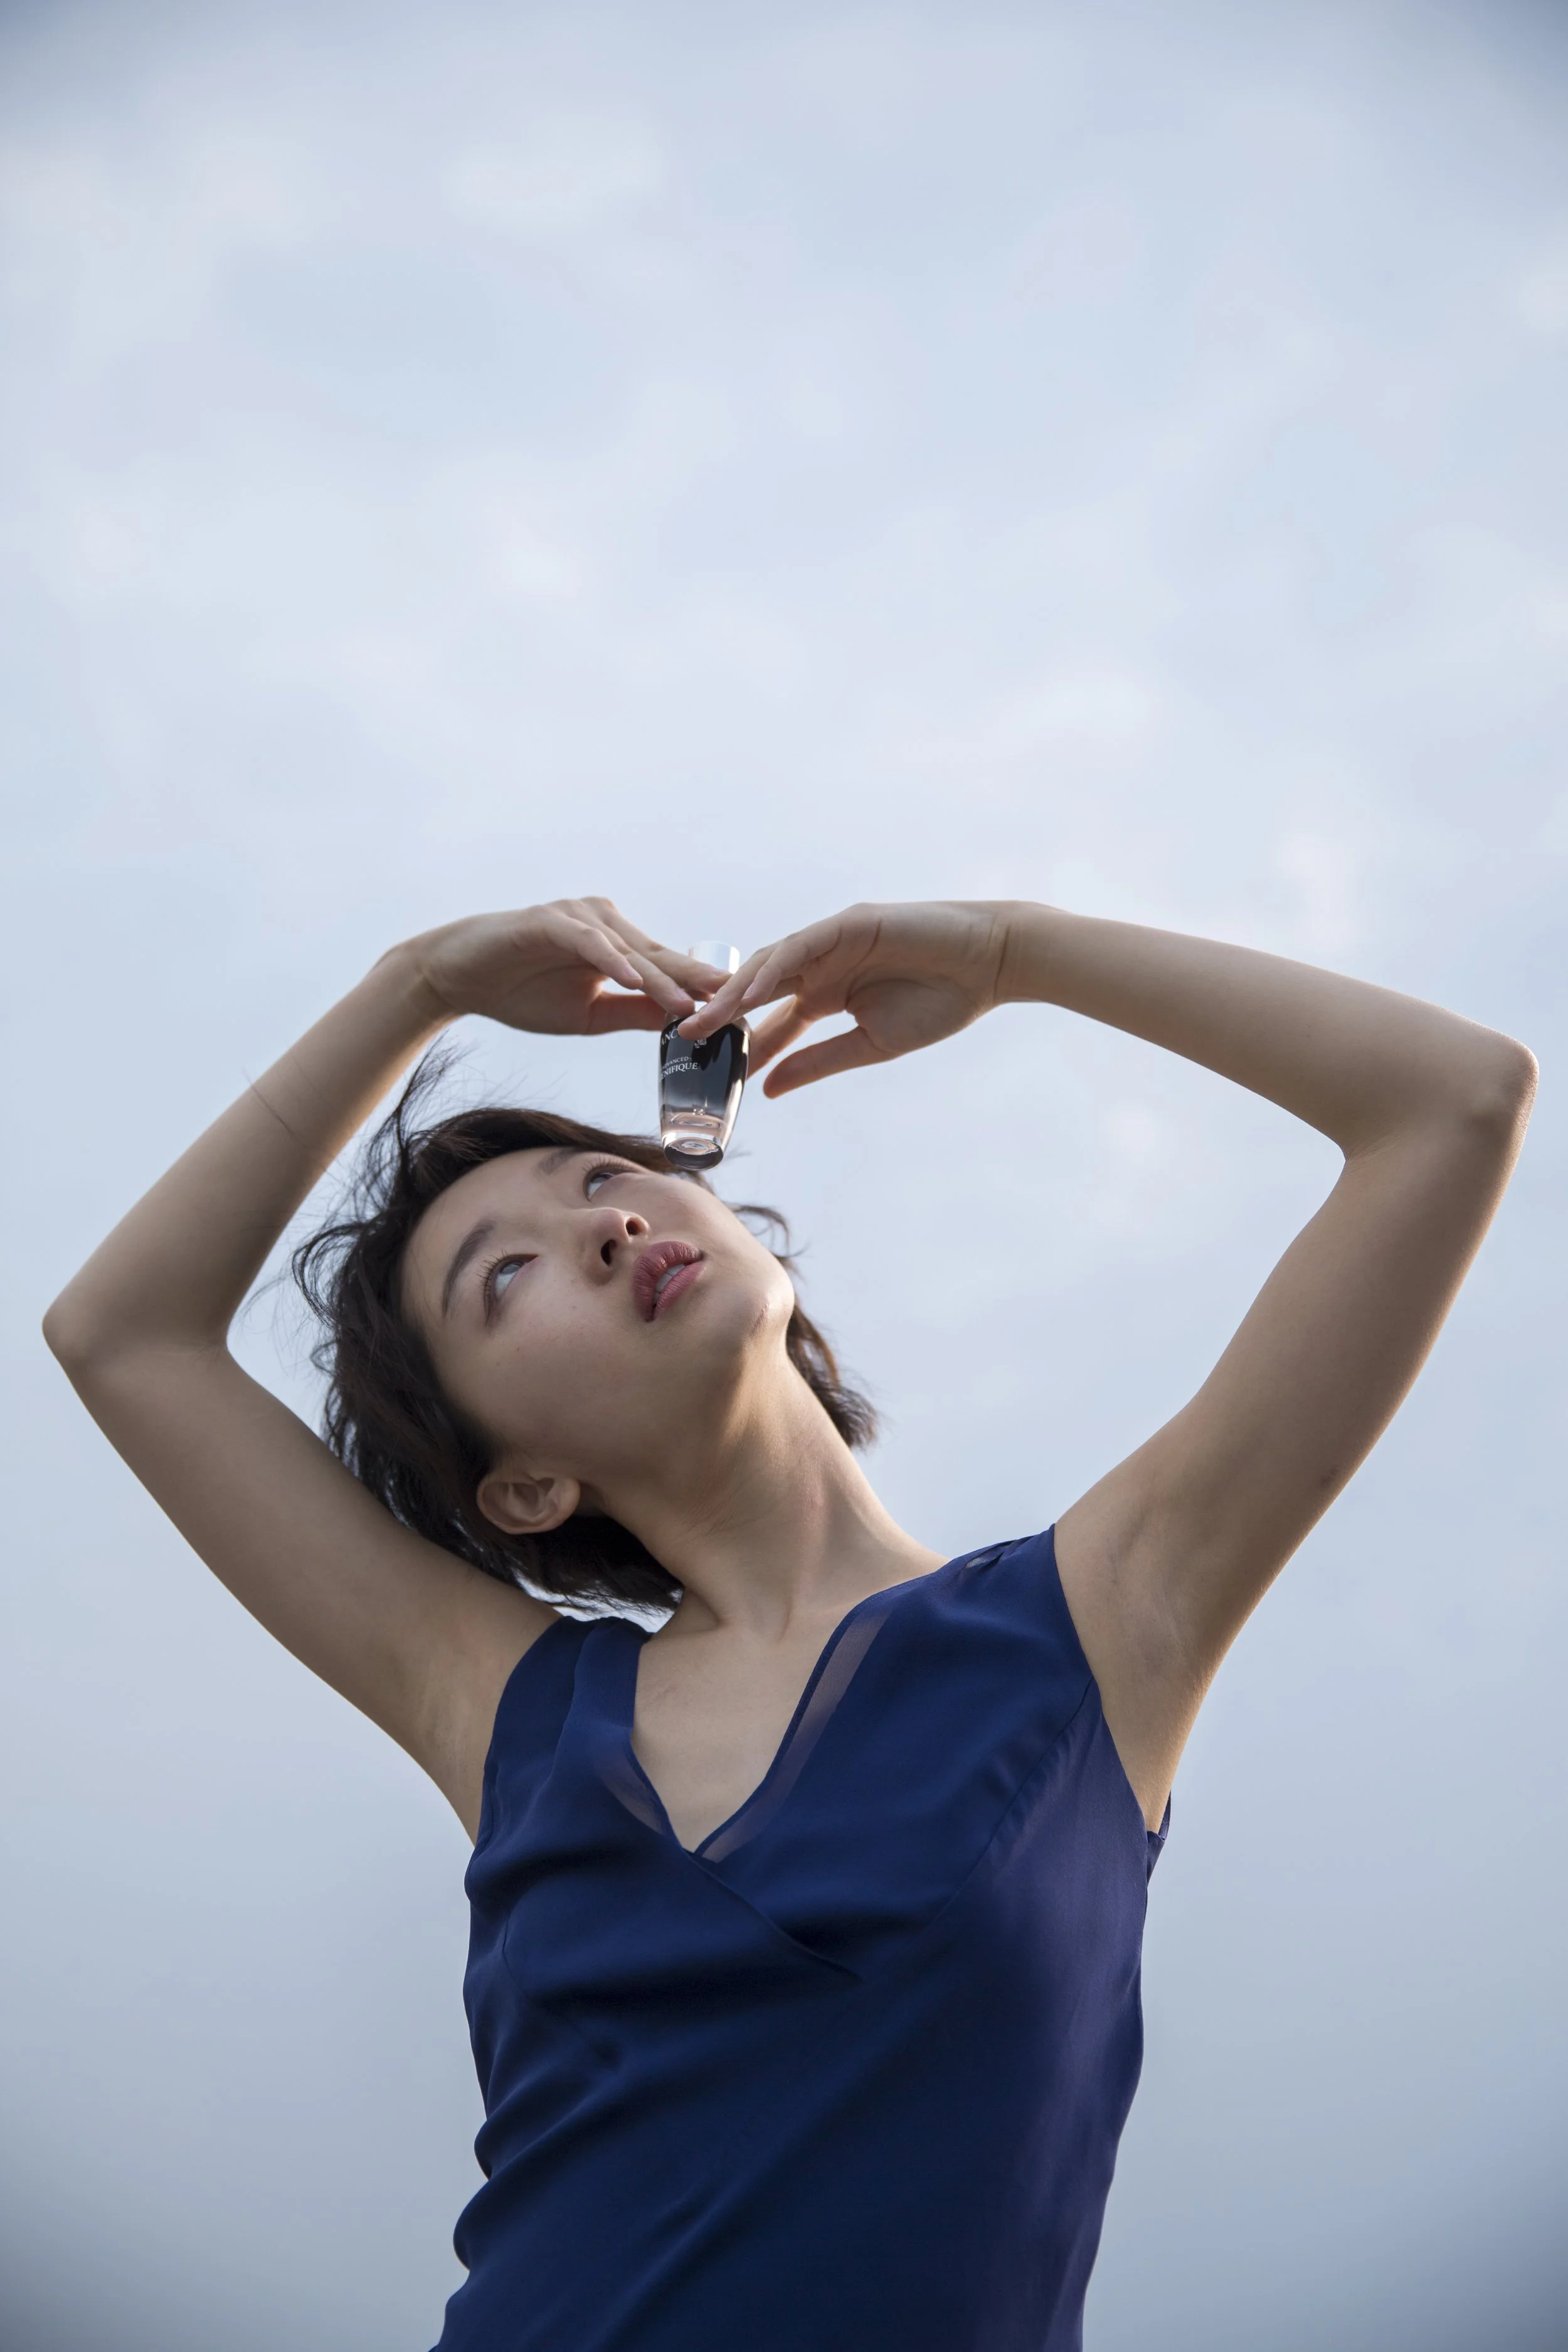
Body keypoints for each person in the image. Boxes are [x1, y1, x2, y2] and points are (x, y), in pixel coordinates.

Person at [43, 895, 1535, 2352]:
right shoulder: (509, 1712)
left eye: (596, 1182)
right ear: (522, 1486)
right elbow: (124, 1334)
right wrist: (419, 979)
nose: (605, 1228)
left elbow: (1452, 1101)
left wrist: (1014, 953)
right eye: (505, 1275)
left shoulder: (1101, 1623)